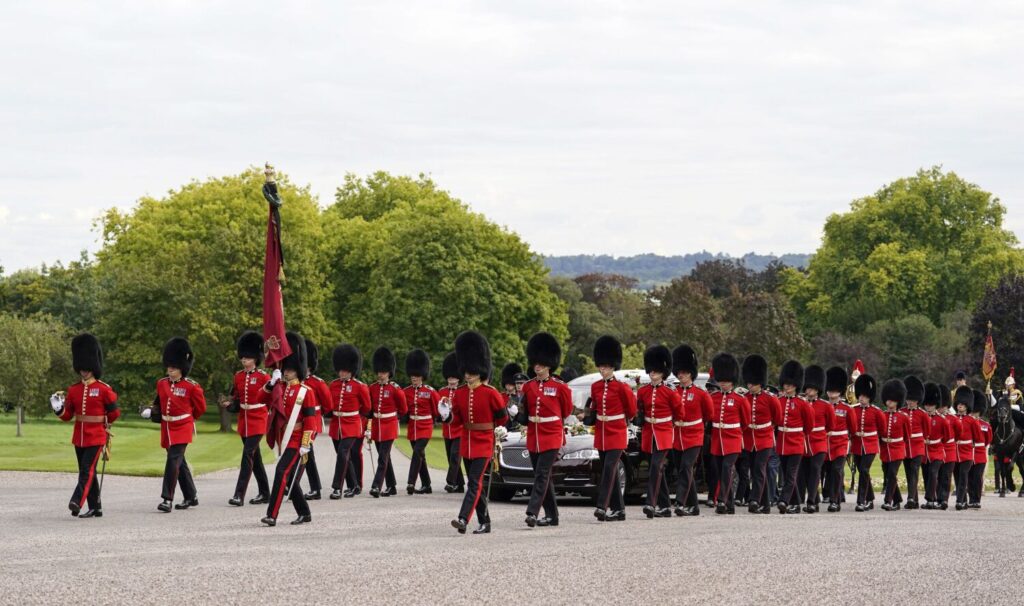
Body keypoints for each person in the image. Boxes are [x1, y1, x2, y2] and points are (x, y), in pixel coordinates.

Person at [445, 331, 508, 534]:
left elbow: (502, 418)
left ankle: (463, 518)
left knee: (474, 482)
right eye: (466, 370)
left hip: (484, 443)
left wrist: (496, 431)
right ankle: (485, 521)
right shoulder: (461, 393)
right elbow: (456, 419)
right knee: (475, 484)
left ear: (480, 370)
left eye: (472, 371)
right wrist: (445, 414)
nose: (468, 374)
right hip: (467, 443)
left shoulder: (491, 393)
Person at [50, 333, 120, 518]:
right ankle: (96, 507)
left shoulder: (104, 389)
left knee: (86, 470)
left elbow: (114, 414)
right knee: (89, 472)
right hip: (79, 436)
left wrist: (105, 425)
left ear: (93, 366)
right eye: (81, 368)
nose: (84, 371)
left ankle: (76, 501)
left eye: (87, 368)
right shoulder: (74, 390)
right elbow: (68, 416)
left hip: (96, 436)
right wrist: (58, 409)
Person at [142, 337, 207, 513]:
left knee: (172, 461)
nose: (170, 371)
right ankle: (191, 496)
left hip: (183, 427)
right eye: (169, 368)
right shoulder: (162, 383)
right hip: (168, 428)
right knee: (180, 462)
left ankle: (167, 499)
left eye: (174, 368)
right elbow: (158, 403)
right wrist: (151, 411)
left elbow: (200, 409)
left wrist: (187, 419)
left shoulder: (191, 386)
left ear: (182, 368)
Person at [260, 332, 319, 526]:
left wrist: (305, 444)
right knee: (290, 477)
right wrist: (271, 382)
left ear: (298, 371)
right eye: (286, 369)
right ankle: (305, 512)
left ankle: (272, 514)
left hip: (296, 439)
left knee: (281, 472)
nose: (287, 373)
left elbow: (311, 419)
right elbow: (261, 399)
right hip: (282, 437)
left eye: (291, 370)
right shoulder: (280, 387)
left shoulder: (305, 392)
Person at [517, 332, 574, 528]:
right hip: (534, 435)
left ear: (549, 364)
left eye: (541, 363)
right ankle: (553, 516)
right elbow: (525, 413)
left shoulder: (560, 387)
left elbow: (566, 411)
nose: (537, 366)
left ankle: (532, 511)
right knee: (542, 476)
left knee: (542, 473)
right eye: (535, 362)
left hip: (552, 434)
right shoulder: (528, 386)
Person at [584, 335, 637, 522]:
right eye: (601, 366)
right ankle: (619, 510)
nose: (602, 370)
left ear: (613, 367)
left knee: (608, 468)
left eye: (606, 367)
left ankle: (602, 505)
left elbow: (631, 410)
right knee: (610, 471)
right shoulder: (595, 387)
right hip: (602, 432)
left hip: (616, 433)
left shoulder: (622, 388)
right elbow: (594, 408)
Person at [224, 331, 272, 507]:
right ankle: (265, 493)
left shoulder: (263, 377)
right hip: (244, 420)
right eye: (243, 357)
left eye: (248, 357)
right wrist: (229, 404)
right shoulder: (238, 376)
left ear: (256, 358)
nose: (244, 360)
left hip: (258, 419)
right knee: (255, 459)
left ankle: (239, 494)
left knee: (247, 456)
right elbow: (235, 397)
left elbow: (271, 398)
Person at [636, 344, 682, 518]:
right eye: (651, 370)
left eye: (656, 370)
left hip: (664, 432)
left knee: (656, 466)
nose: (653, 373)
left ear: (663, 371)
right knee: (656, 470)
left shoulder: (670, 392)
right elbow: (639, 408)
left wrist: (672, 425)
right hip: (649, 433)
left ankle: (651, 503)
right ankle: (665, 506)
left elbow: (679, 413)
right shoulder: (643, 391)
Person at [669, 344, 713, 516]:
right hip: (677, 436)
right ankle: (693, 505)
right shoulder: (674, 392)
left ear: (691, 373)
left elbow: (709, 414)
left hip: (694, 435)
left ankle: (680, 502)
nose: (682, 375)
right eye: (679, 373)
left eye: (685, 373)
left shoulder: (701, 394)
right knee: (682, 469)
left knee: (686, 468)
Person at [325, 344, 371, 500]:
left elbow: (367, 407)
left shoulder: (360, 387)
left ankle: (337, 488)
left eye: (345, 370)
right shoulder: (334, 384)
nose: (342, 372)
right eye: (341, 369)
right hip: (336, 424)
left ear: (352, 369)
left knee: (343, 453)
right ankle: (354, 485)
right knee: (343, 455)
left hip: (352, 424)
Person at [707, 353, 751, 514]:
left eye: (726, 381)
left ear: (732, 381)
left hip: (732, 439)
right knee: (720, 470)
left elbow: (745, 422)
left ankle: (722, 500)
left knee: (727, 468)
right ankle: (730, 505)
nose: (723, 384)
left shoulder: (740, 399)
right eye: (721, 381)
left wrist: (735, 432)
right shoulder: (714, 397)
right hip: (717, 440)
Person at [740, 354, 780, 514]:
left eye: (753, 382)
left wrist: (766, 429)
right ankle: (765, 504)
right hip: (749, 439)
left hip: (764, 438)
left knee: (759, 469)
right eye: (749, 382)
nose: (750, 385)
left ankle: (754, 500)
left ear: (760, 382)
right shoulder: (745, 398)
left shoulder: (770, 399)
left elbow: (777, 418)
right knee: (752, 469)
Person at [367, 347, 408, 498]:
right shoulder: (372, 388)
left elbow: (403, 409)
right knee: (385, 457)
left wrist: (392, 418)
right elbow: (370, 409)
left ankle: (376, 486)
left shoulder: (395, 389)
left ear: (389, 372)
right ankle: (392, 486)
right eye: (379, 372)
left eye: (383, 372)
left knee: (382, 457)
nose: (380, 374)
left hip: (389, 425)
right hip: (377, 425)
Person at [776, 360, 813, 514]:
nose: (787, 386)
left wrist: (798, 435)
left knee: (791, 475)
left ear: (796, 385)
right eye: (785, 384)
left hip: (796, 442)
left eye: (790, 384)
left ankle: (784, 500)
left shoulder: (802, 403)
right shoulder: (779, 401)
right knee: (786, 473)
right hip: (782, 442)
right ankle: (796, 503)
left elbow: (809, 425)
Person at [800, 365, 835, 513]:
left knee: (815, 470)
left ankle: (811, 502)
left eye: (812, 388)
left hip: (819, 443)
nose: (808, 391)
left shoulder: (825, 406)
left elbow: (831, 425)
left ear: (817, 390)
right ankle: (815, 499)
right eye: (807, 388)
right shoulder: (801, 403)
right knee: (806, 473)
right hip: (804, 443)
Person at [300, 339, 331, 501]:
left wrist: (317, 417)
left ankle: (314, 488)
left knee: (306, 453)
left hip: (312, 422)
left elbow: (327, 405)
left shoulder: (317, 383)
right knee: (303, 454)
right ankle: (309, 488)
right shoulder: (295, 382)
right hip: (297, 422)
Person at [404, 349, 438, 495]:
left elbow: (437, 410)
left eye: (417, 375)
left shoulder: (430, 391)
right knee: (420, 455)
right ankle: (427, 485)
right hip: (413, 427)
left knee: (417, 452)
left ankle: (411, 482)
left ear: (422, 376)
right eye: (412, 375)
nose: (414, 378)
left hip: (425, 426)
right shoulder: (406, 391)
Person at [824, 366, 857, 512]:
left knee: (837, 471)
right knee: (829, 472)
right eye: (830, 389)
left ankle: (834, 501)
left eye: (835, 390)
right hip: (825, 444)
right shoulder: (823, 406)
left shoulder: (846, 408)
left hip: (841, 443)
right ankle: (835, 497)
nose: (832, 392)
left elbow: (853, 428)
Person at [851, 373, 884, 512]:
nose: (861, 398)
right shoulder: (854, 410)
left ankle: (861, 501)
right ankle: (870, 498)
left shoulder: (876, 412)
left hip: (870, 445)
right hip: (857, 445)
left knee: (864, 470)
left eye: (864, 396)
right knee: (862, 472)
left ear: (869, 396)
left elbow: (881, 430)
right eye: (860, 395)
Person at [879, 379, 911, 511]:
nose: (889, 402)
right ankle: (897, 500)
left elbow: (907, 436)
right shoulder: (882, 415)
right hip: (885, 449)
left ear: (897, 401)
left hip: (897, 449)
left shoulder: (903, 417)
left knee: (892, 473)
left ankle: (888, 501)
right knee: (888, 475)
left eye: (892, 400)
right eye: (888, 399)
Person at [437, 352, 466, 493]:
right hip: (446, 430)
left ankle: (450, 482)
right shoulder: (442, 391)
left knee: (455, 456)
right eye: (449, 377)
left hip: (459, 429)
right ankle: (460, 484)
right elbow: (438, 412)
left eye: (453, 377)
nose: (451, 379)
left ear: (458, 378)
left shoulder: (462, 391)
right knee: (450, 457)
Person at [900, 376, 928, 509]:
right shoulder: (902, 412)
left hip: (917, 446)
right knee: (908, 472)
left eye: (912, 400)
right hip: (906, 446)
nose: (910, 402)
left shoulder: (922, 414)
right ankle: (915, 500)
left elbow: (926, 431)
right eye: (908, 399)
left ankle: (910, 497)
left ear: (917, 400)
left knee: (915, 470)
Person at [921, 382, 947, 509]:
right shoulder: (922, 417)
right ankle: (933, 499)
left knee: (933, 473)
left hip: (937, 451)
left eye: (930, 405)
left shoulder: (942, 420)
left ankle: (931, 499)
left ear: (935, 405)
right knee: (927, 475)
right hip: (925, 452)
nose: (928, 407)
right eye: (926, 404)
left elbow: (946, 437)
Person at [953, 386, 979, 510]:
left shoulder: (972, 421)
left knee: (963, 476)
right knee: (957, 477)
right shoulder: (953, 419)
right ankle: (963, 501)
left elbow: (977, 437)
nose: (960, 406)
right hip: (955, 452)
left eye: (963, 404)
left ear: (967, 406)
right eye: (959, 404)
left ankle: (959, 501)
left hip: (967, 452)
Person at [938, 388, 958, 510]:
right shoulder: (933, 418)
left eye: (942, 406)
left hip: (949, 449)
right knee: (937, 475)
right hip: (937, 448)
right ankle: (937, 498)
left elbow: (958, 433)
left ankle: (944, 499)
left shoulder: (953, 419)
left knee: (946, 475)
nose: (940, 409)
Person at [500, 363, 526, 432]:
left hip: (519, 431)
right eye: (506, 382)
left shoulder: (522, 397)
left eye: (510, 382)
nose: (508, 384)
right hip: (503, 431)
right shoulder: (500, 397)